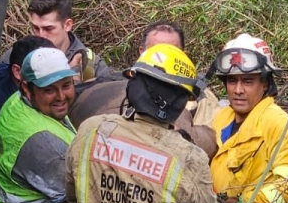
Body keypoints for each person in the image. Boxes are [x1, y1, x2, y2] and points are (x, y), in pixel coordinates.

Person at [66, 44, 221, 203]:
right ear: (180, 103)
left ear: (133, 84)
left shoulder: (90, 132)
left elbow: (73, 199)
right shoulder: (189, 158)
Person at [68, 21, 219, 158]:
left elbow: (210, 144)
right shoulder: (110, 81)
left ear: (184, 56)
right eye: (157, 51)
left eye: (172, 51)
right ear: (141, 52)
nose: (165, 59)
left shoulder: (201, 98)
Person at [0, 47, 78, 203]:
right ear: (27, 89)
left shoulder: (19, 103)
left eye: (66, 85)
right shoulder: (40, 141)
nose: (60, 97)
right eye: (49, 90)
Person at [210, 34, 288, 203]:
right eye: (232, 81)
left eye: (248, 81)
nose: (238, 90)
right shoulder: (221, 118)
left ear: (264, 84)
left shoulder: (278, 124)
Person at [0, 36, 55, 191]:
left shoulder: (5, 74)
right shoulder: (3, 111)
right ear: (18, 72)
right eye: (45, 69)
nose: (53, 76)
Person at [0, 0, 114, 81]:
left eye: (48, 28)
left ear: (67, 25)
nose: (40, 36)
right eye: (35, 28)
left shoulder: (91, 66)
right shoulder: (14, 57)